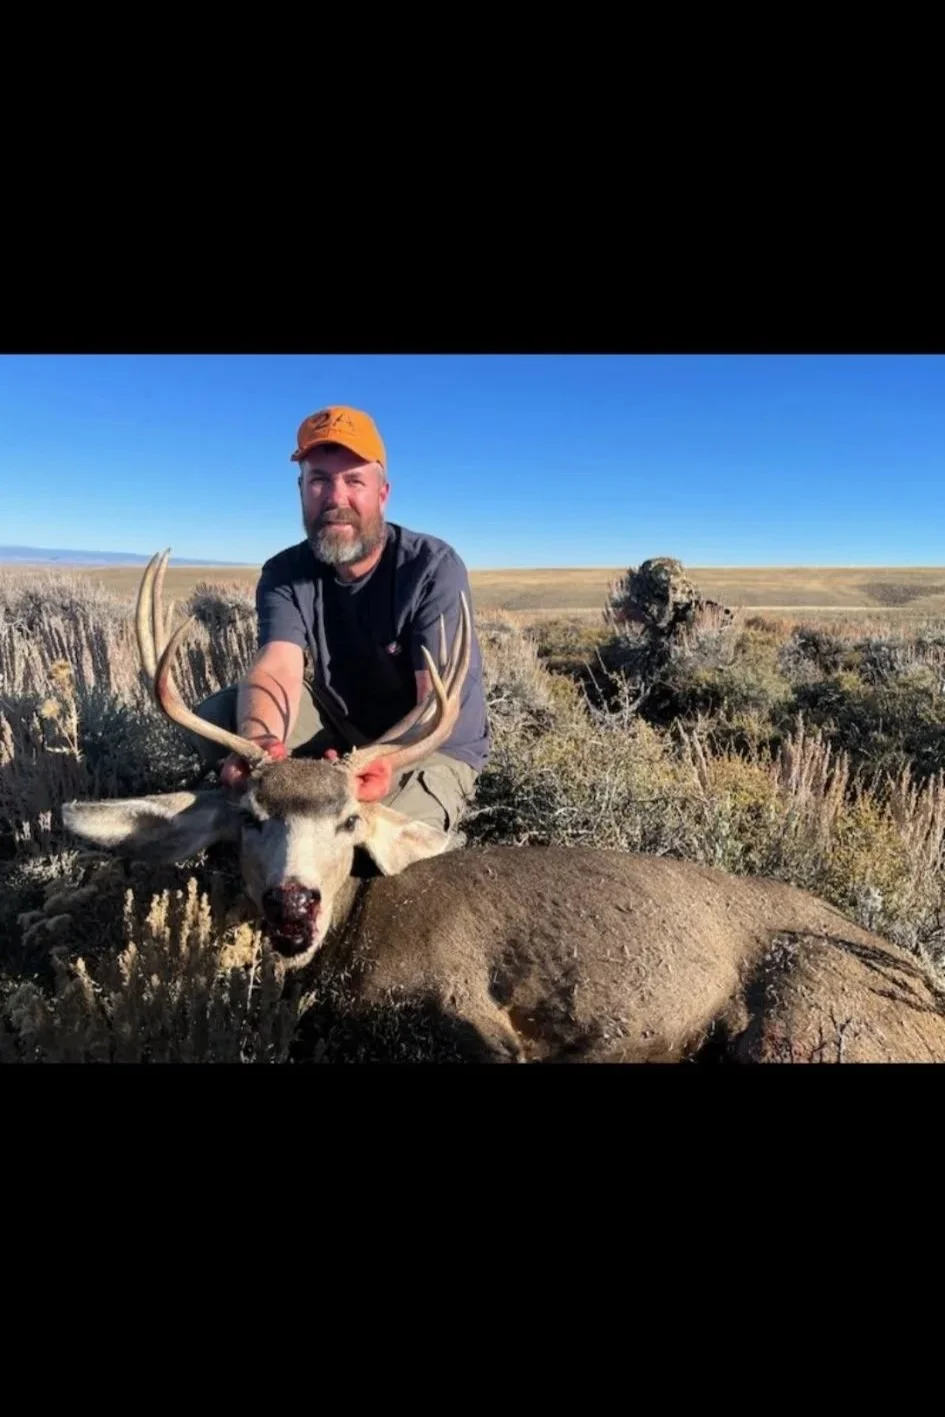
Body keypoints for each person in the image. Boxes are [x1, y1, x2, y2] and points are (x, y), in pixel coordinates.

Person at [187, 403, 490, 838]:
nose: (335, 499)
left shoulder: (432, 568)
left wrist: (385, 759)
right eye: (319, 481)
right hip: (344, 728)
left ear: (382, 494)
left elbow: (434, 704)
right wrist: (259, 746)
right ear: (301, 491)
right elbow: (277, 666)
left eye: (354, 481)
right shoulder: (284, 572)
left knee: (372, 846)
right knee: (221, 716)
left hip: (429, 746)